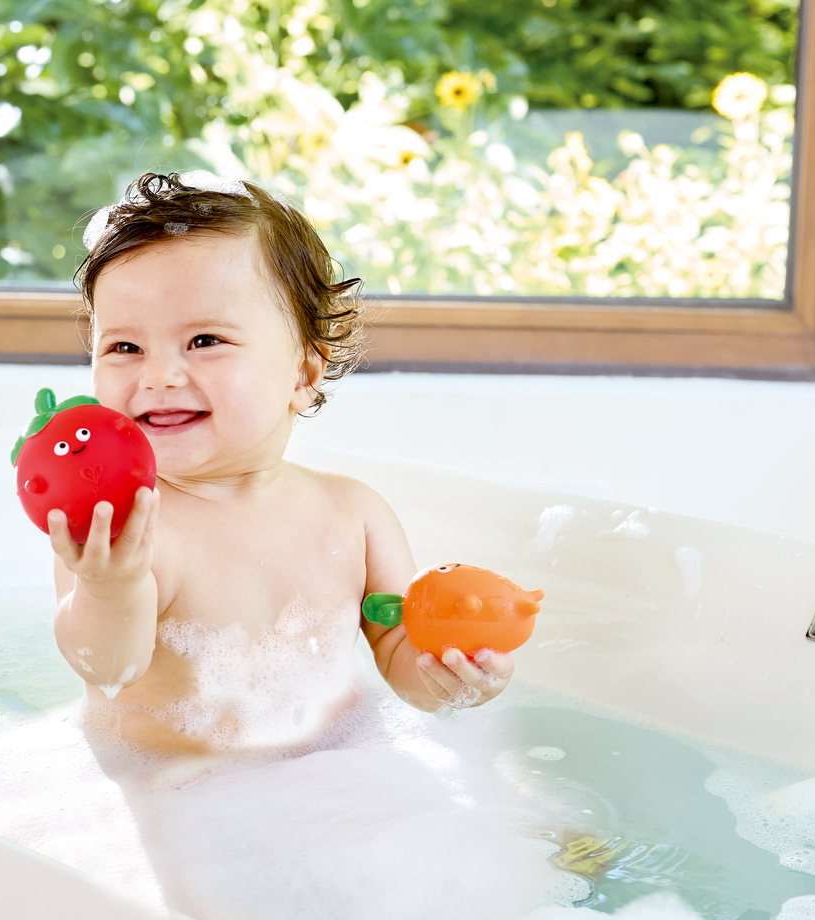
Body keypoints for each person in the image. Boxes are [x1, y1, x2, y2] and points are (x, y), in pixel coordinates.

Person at [45, 170, 514, 756]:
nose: (159, 375)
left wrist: (451, 676)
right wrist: (107, 590)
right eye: (125, 347)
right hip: (175, 783)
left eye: (205, 340)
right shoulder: (119, 527)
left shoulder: (354, 514)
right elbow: (107, 666)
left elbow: (401, 656)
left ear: (303, 373)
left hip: (332, 772)